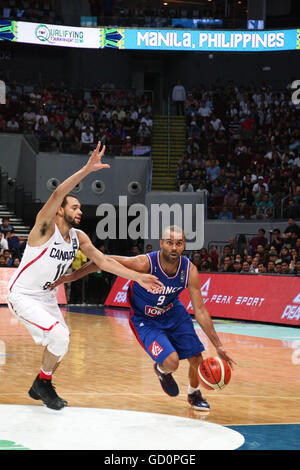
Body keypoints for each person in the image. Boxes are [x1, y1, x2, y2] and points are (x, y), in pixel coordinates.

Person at [6, 142, 163, 411]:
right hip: (23, 294)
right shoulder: (44, 228)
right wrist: (87, 170)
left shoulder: (79, 237)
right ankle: (43, 384)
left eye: (80, 208)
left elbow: (103, 262)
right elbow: (58, 192)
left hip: (46, 296)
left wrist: (137, 277)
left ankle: (40, 383)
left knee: (62, 343)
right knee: (59, 336)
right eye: (75, 206)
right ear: (59, 210)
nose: (79, 211)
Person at [50, 225, 235, 413]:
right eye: (169, 243)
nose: (173, 248)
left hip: (173, 312)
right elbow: (102, 261)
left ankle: (194, 393)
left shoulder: (189, 270)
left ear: (183, 246)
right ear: (161, 243)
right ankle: (162, 371)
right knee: (172, 362)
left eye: (178, 244)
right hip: (145, 319)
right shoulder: (144, 264)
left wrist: (218, 346)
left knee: (196, 357)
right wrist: (70, 277)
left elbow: (201, 311)